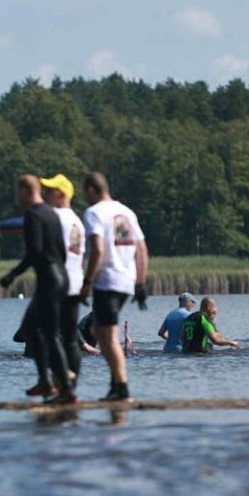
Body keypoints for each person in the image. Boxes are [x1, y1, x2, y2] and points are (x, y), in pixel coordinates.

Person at [0, 175, 76, 403]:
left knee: (49, 335)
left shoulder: (33, 214)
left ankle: (65, 389)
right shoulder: (52, 212)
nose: (16, 198)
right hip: (61, 277)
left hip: (49, 280)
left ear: (25, 191)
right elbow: (61, 250)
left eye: (17, 192)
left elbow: (34, 252)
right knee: (32, 328)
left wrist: (12, 274)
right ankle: (46, 381)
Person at [77, 172, 148, 402]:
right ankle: (116, 384)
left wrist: (87, 282)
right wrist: (140, 283)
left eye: (84, 192)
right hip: (127, 280)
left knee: (107, 337)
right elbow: (142, 249)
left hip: (108, 280)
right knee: (100, 331)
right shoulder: (126, 212)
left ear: (91, 190)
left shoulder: (94, 212)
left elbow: (97, 250)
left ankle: (121, 388)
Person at [41, 174, 86, 386]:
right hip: (75, 282)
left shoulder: (56, 215)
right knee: (69, 338)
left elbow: (29, 224)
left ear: (61, 194)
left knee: (50, 335)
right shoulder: (76, 220)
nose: (45, 194)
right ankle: (70, 387)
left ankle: (60, 383)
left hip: (59, 283)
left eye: (49, 190)